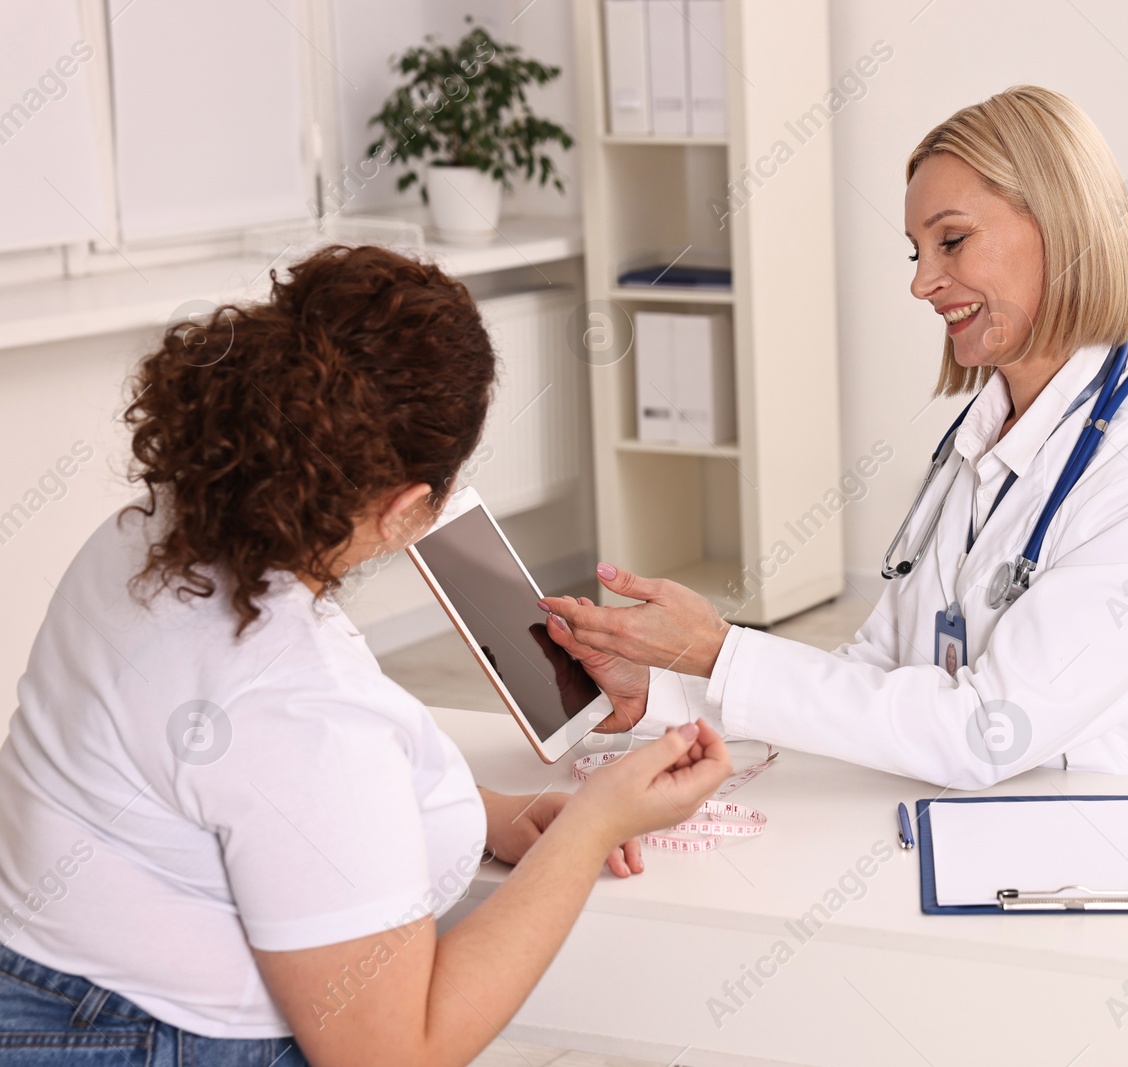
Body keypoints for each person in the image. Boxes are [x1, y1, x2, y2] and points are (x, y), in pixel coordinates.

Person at [0, 245, 732, 1067]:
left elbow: (246, 790)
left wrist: (489, 812)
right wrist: (596, 822)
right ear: (408, 506)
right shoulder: (297, 700)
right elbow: (392, 1055)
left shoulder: (153, 528)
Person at [540, 86, 1128, 792]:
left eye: (951, 240)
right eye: (916, 252)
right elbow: (878, 673)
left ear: (1062, 225)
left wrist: (721, 650)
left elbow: (984, 730)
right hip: (997, 825)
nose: (923, 284)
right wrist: (662, 696)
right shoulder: (976, 447)